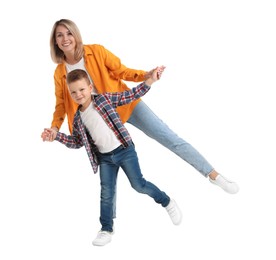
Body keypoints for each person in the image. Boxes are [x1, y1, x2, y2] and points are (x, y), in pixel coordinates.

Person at [47, 19, 239, 196]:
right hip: (97, 121)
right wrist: (55, 128)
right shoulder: (59, 72)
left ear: (76, 35)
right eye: (60, 35)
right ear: (55, 41)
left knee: (167, 136)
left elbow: (122, 71)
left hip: (125, 105)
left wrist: (145, 76)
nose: (65, 39)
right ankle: (107, 228)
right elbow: (61, 104)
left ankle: (213, 174)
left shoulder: (96, 51)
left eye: (69, 33)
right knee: (109, 179)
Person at [41, 67, 182, 246]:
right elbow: (77, 142)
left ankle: (167, 201)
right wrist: (56, 136)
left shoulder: (104, 99)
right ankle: (106, 228)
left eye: (82, 89)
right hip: (105, 158)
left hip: (125, 150)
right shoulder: (78, 119)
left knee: (139, 185)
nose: (79, 94)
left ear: (90, 87)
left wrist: (150, 80)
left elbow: (129, 95)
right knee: (106, 193)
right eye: (74, 92)